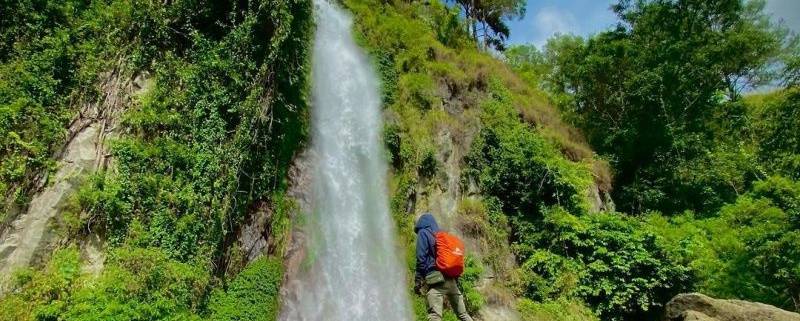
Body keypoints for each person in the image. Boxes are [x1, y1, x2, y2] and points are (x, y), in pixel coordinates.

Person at [414, 213, 474, 321]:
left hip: (437, 282)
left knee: (435, 316)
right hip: (452, 281)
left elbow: (421, 258)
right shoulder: (440, 236)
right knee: (463, 315)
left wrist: (418, 280)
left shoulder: (423, 233)